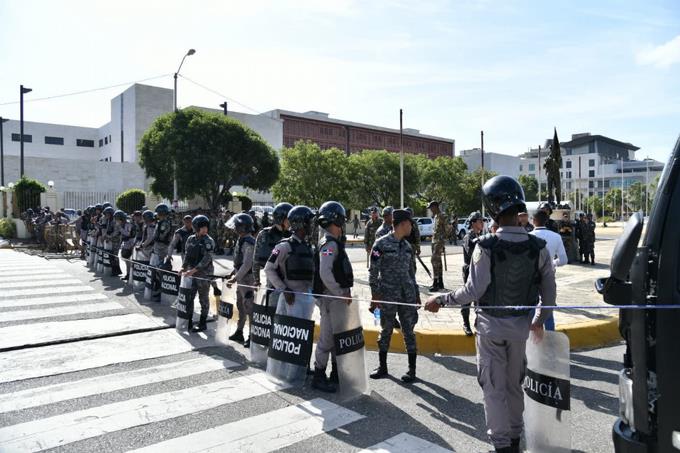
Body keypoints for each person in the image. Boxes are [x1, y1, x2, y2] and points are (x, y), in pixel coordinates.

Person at [424, 175, 556, 453]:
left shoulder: (485, 246)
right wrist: (539, 321)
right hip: (520, 329)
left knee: (494, 388)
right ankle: (516, 439)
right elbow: (550, 296)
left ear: (493, 208)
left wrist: (441, 299)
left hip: (490, 330)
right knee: (513, 385)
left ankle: (502, 446)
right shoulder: (539, 248)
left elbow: (473, 290)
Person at [369, 209, 420, 383]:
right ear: (402, 224)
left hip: (407, 295)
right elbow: (373, 272)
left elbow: (412, 274)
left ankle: (412, 370)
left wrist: (417, 295)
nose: (412, 227)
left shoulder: (407, 247)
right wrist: (374, 295)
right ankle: (382, 367)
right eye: (410, 223)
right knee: (386, 330)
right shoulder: (380, 244)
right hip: (387, 294)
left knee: (409, 332)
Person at [311, 201, 354, 393]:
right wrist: (340, 292)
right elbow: (325, 273)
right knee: (327, 339)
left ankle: (336, 374)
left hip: (335, 298)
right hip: (331, 298)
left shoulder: (333, 241)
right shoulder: (329, 243)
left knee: (338, 337)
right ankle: (319, 375)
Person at [264, 205, 316, 317]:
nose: (311, 225)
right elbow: (268, 269)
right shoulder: (283, 247)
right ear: (301, 224)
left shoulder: (309, 248)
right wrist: (284, 290)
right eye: (309, 222)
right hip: (290, 301)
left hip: (306, 299)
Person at [530, 209, 568, 331]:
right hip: (548, 275)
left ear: (533, 221)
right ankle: (550, 338)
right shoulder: (556, 236)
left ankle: (530, 339)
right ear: (546, 221)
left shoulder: (528, 237)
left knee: (530, 307)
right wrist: (552, 264)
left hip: (530, 277)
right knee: (547, 308)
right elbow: (563, 260)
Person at [226, 213, 257, 347]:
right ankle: (240, 331)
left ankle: (252, 336)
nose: (235, 229)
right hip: (241, 278)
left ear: (242, 227)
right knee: (241, 305)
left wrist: (235, 278)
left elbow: (247, 264)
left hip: (247, 279)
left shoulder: (249, 242)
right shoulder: (241, 239)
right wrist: (233, 273)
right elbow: (239, 262)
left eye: (237, 226)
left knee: (249, 307)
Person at [182, 215, 216, 332]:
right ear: (196, 227)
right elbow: (187, 255)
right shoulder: (190, 239)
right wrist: (183, 267)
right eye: (202, 227)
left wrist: (192, 271)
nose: (205, 229)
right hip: (192, 274)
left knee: (203, 299)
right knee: (190, 297)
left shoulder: (209, 241)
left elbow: (206, 259)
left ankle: (202, 323)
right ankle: (189, 321)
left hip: (204, 275)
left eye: (206, 227)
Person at [253, 202, 293, 287]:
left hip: (290, 278)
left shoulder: (293, 235)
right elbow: (256, 258)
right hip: (272, 278)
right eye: (288, 219)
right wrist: (256, 279)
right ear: (280, 219)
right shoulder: (264, 234)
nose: (291, 222)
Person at [460, 211, 485, 336]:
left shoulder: (480, 235)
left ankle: (477, 322)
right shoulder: (468, 236)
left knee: (480, 296)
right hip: (469, 269)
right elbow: (471, 252)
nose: (482, 223)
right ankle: (466, 323)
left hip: (479, 270)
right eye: (480, 221)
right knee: (468, 295)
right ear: (474, 223)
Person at [150, 203, 172, 301]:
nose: (157, 215)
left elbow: (161, 236)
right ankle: (157, 290)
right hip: (157, 247)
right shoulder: (160, 222)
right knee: (156, 270)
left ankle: (161, 292)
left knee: (161, 270)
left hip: (162, 248)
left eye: (158, 213)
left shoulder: (165, 223)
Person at [429, 200, 448, 291]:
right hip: (434, 241)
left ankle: (435, 283)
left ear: (435, 207)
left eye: (431, 208)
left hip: (439, 242)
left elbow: (447, 229)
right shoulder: (436, 216)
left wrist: (442, 240)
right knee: (438, 262)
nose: (430, 210)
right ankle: (440, 282)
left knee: (433, 260)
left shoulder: (442, 216)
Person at [120, 211, 138, 281]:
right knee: (126, 259)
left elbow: (128, 234)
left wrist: (120, 229)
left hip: (131, 242)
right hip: (126, 243)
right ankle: (128, 274)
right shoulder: (124, 225)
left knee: (130, 260)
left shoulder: (129, 224)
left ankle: (130, 275)